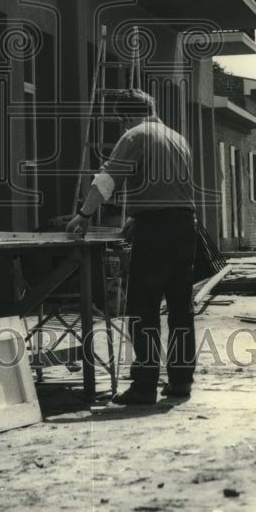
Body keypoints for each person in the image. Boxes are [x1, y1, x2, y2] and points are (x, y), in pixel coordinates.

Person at [67, 88, 197, 406]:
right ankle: (181, 382)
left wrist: (83, 216)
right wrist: (137, 216)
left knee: (143, 307)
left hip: (155, 232)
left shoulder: (134, 135)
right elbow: (169, 189)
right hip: (185, 226)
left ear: (125, 116)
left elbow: (107, 181)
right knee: (181, 308)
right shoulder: (178, 138)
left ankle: (144, 386)